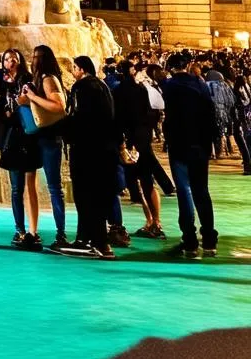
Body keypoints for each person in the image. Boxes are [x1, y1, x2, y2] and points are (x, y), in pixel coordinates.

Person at [61, 55, 118, 260]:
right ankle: (85, 238)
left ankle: (98, 243)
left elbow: (77, 118)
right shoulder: (103, 87)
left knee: (85, 196)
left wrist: (63, 131)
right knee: (99, 196)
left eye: (75, 68)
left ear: (82, 69)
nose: (73, 72)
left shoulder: (81, 88)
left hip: (85, 149)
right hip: (105, 150)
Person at [162, 51, 218, 258]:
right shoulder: (201, 84)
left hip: (179, 145)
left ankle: (190, 241)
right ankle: (210, 240)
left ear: (171, 68)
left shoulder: (169, 86)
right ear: (187, 66)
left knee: (184, 193)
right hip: (200, 146)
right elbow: (210, 113)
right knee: (202, 191)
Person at [18, 45, 69, 252]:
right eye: (33, 56)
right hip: (36, 138)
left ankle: (61, 233)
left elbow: (59, 106)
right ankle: (32, 232)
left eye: (38, 57)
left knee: (54, 186)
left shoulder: (48, 79)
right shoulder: (38, 79)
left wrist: (32, 96)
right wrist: (23, 97)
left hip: (48, 138)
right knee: (31, 184)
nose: (34, 60)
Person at [0, 48, 41, 250]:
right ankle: (19, 229)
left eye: (14, 59)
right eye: (6, 59)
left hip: (28, 135)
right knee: (15, 188)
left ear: (20, 61)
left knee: (29, 184)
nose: (10, 62)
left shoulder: (27, 79)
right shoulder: (0, 79)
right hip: (11, 135)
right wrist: (4, 110)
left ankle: (32, 231)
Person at [114, 59, 165, 241]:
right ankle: (156, 223)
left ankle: (151, 221)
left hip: (128, 143)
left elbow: (117, 119)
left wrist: (120, 142)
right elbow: (153, 113)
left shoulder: (118, 91)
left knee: (137, 186)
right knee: (148, 183)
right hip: (143, 141)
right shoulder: (142, 89)